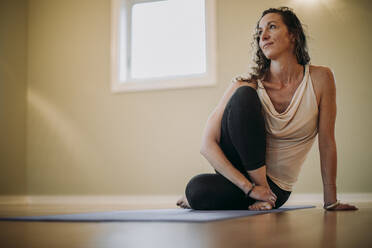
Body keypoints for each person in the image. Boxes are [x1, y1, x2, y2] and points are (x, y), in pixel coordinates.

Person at [177, 7, 358, 211]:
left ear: (293, 34)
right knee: (243, 95)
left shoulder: (321, 79)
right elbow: (207, 144)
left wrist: (331, 200)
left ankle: (263, 196)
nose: (263, 36)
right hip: (241, 178)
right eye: (259, 32)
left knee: (197, 191)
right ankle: (258, 194)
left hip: (277, 189)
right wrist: (251, 188)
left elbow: (326, 142)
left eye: (272, 27)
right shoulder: (246, 84)